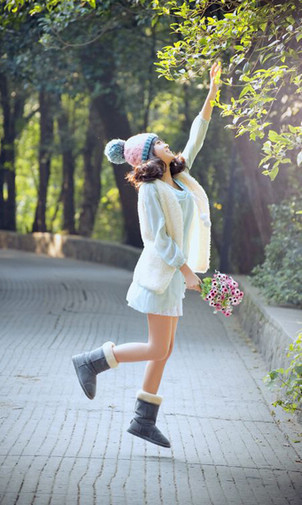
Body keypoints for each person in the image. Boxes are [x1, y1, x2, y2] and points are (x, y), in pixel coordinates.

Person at [72, 62, 221, 449]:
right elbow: (157, 239)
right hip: (162, 274)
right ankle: (92, 361)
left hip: (172, 279)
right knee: (157, 346)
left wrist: (211, 93)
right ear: (149, 155)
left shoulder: (180, 177)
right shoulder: (152, 190)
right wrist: (188, 271)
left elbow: (196, 138)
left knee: (165, 349)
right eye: (159, 142)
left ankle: (143, 418)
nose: (167, 144)